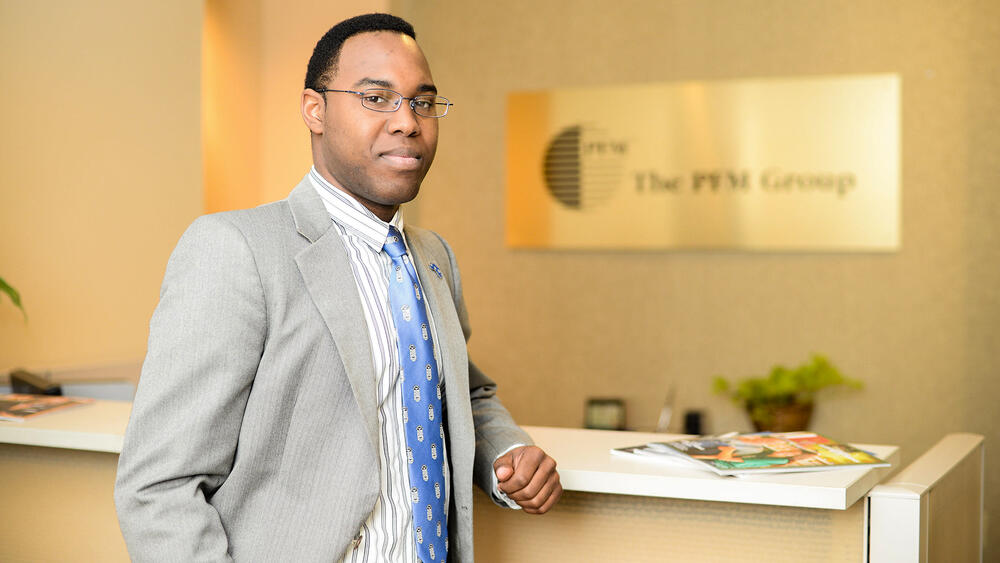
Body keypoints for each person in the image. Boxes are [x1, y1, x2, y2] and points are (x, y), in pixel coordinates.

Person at [114, 13, 561, 562]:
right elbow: (158, 487)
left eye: (423, 101)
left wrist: (507, 453)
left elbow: (462, 392)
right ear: (315, 109)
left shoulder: (434, 256)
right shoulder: (236, 249)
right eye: (377, 98)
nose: (407, 122)